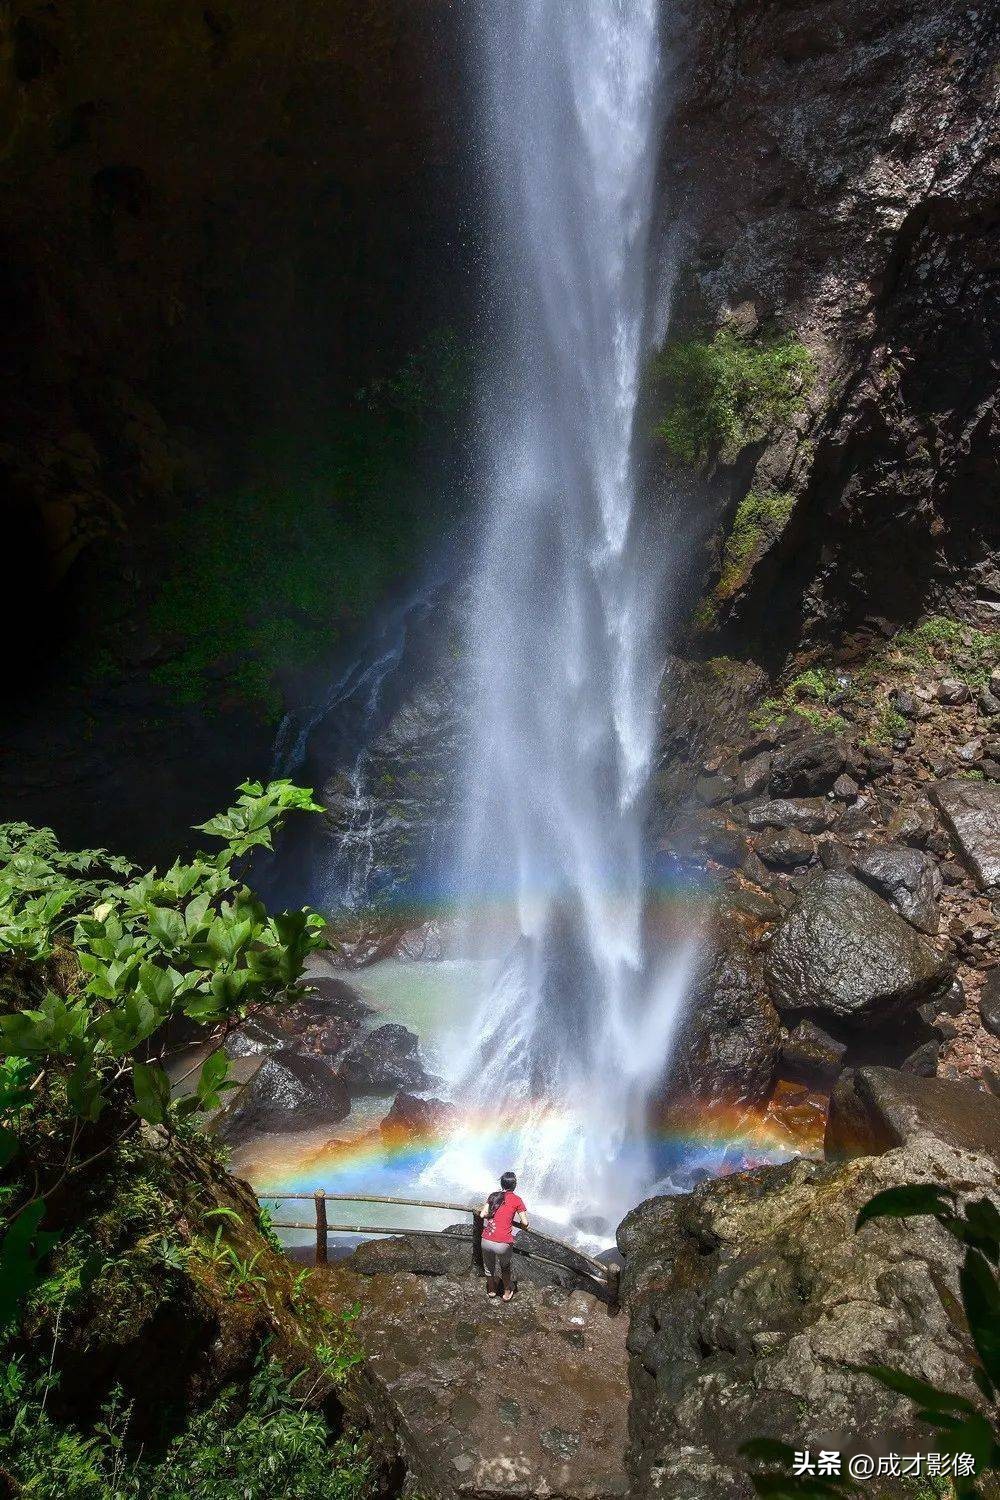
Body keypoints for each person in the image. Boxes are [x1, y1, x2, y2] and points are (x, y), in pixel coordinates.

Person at [479, 1170, 528, 1302]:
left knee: (489, 1267)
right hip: (503, 1243)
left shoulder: (493, 1196)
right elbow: (525, 1222)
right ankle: (506, 1292)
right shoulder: (517, 1200)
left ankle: (492, 1290)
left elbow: (482, 1215)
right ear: (514, 1185)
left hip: (486, 1240)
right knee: (505, 1267)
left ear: (501, 1183)